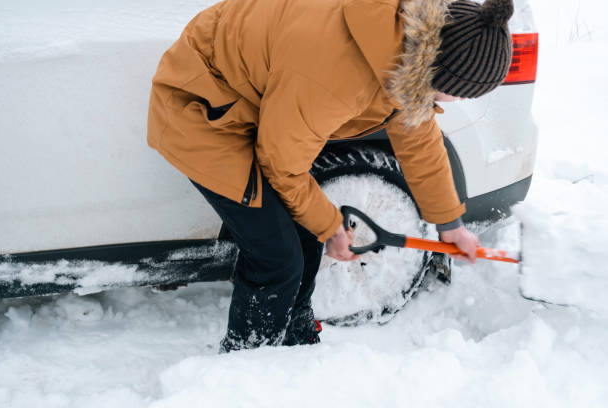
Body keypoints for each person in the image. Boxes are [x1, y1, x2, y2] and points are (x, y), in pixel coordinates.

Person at [147, 0, 514, 351]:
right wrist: (331, 227)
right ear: (439, 72)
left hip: (262, 103)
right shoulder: (338, 73)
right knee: (277, 258)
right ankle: (247, 360)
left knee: (303, 234)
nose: (463, 101)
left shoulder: (406, 40)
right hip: (204, 106)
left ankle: (295, 337)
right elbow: (282, 164)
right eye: (462, 93)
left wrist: (451, 224)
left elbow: (418, 138)